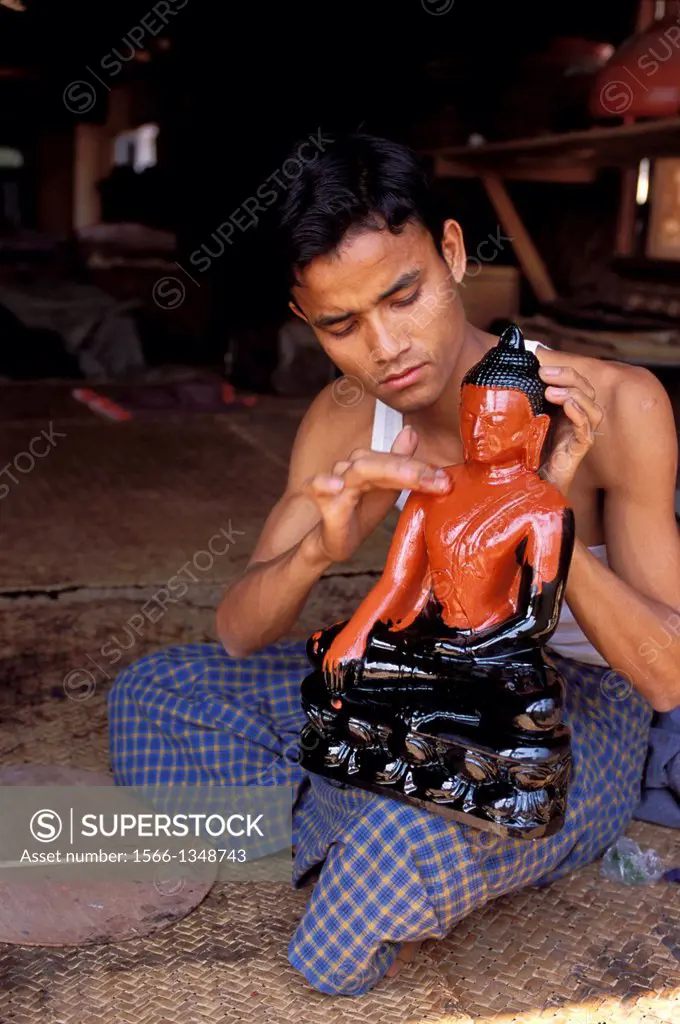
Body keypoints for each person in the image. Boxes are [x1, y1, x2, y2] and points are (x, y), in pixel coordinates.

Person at [108, 133, 680, 995]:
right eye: (341, 324)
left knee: (405, 840)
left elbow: (668, 679)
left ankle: (365, 811)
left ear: (452, 253)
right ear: (306, 320)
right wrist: (318, 554)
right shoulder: (346, 419)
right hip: (418, 673)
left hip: (569, 709)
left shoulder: (610, 404)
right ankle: (367, 802)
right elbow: (238, 630)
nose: (386, 348)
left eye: (403, 295)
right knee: (154, 695)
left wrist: (545, 510)